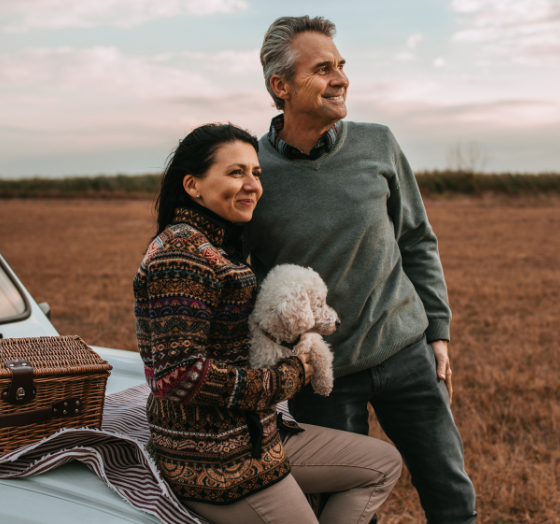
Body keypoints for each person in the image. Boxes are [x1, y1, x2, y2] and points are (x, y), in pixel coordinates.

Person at [243, 17, 478, 524]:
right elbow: (242, 274)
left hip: (407, 354)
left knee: (451, 495)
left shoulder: (378, 144)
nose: (341, 78)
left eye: (342, 66)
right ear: (279, 87)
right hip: (322, 378)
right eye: (323, 68)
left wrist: (437, 331)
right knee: (347, 509)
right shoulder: (253, 172)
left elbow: (416, 239)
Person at [134, 122, 402, 524]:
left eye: (256, 173)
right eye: (235, 172)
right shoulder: (182, 256)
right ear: (193, 185)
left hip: (253, 433)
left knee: (382, 463)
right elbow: (177, 375)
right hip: (213, 458)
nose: (252, 184)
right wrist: (290, 377)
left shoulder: (216, 244)